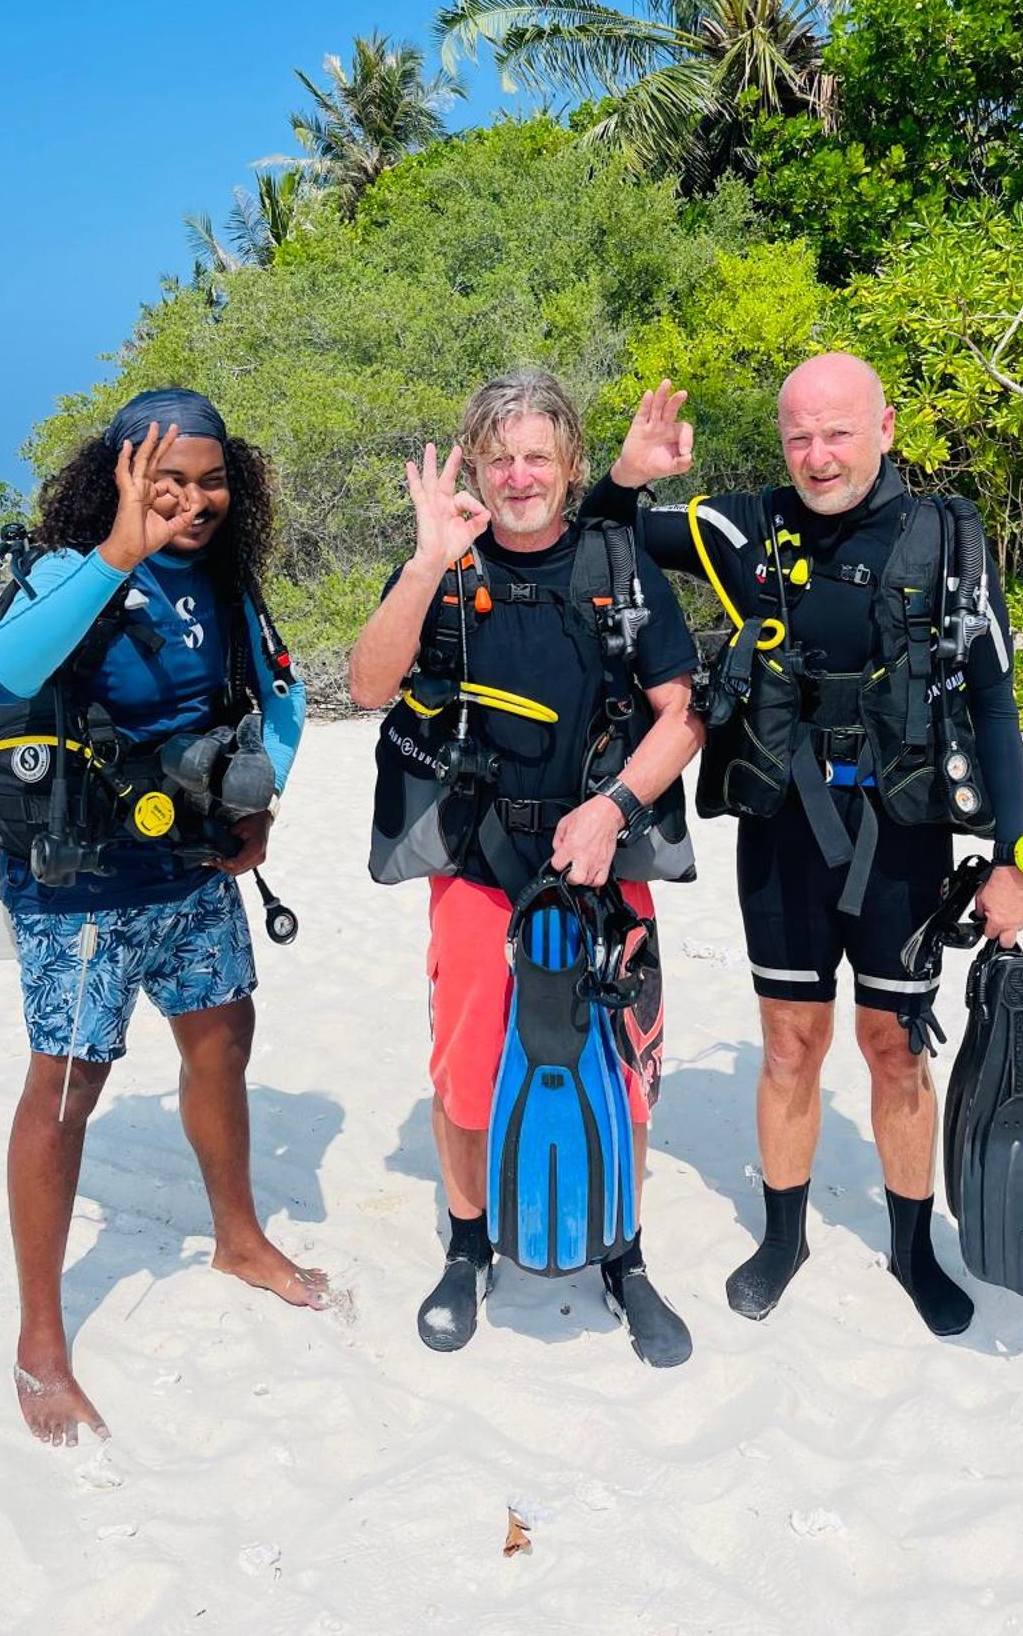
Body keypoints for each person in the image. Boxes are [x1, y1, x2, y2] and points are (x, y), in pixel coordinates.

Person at [590, 357, 1023, 1337]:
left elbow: (996, 701)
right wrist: (628, 476)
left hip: (908, 843)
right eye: (799, 434)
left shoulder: (948, 539)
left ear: (884, 426)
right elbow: (598, 534)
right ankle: (785, 1232)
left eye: (837, 431)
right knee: (791, 1043)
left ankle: (913, 1245)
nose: (817, 454)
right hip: (786, 839)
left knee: (894, 1048)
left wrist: (1015, 856)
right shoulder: (742, 528)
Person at [0, 387, 325, 1446]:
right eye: (166, 478)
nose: (194, 498)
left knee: (223, 1042)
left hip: (191, 870)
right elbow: (2, 672)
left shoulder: (226, 579)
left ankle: (238, 1234)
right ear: (117, 474)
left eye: (212, 478)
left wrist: (262, 804)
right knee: (67, 1086)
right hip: (79, 889)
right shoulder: (63, 572)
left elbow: (287, 697)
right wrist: (120, 549)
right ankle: (42, 1338)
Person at [348, 370, 705, 1365]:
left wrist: (613, 807)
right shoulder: (448, 569)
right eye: (499, 457)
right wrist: (424, 563)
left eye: (537, 456)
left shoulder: (618, 557)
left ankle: (622, 1251)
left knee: (627, 1066)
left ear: (571, 464)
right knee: (466, 1071)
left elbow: (684, 710)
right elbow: (371, 681)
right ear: (477, 465)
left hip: (606, 850)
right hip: (480, 861)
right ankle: (468, 1244)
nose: (518, 476)